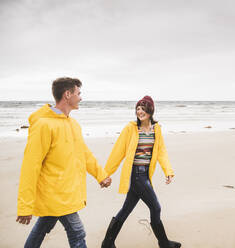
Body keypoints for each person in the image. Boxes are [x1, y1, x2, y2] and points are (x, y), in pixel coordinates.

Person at [16, 77, 112, 248]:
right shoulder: (44, 125)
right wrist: (25, 206)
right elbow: (30, 166)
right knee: (77, 232)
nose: (81, 97)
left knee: (42, 229)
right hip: (55, 194)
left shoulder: (73, 124)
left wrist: (100, 175)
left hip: (67, 192)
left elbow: (84, 153)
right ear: (67, 94)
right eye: (78, 93)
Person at [101, 96, 181, 248]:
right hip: (137, 175)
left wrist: (168, 171)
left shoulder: (156, 129)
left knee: (126, 209)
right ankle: (164, 243)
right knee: (156, 207)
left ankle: (107, 243)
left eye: (143, 108)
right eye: (138, 108)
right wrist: (105, 174)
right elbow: (118, 152)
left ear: (150, 110)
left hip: (145, 175)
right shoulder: (130, 128)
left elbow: (161, 151)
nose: (140, 111)